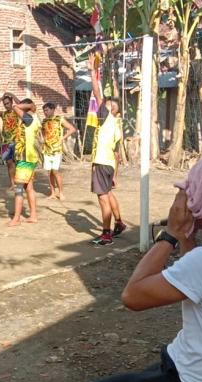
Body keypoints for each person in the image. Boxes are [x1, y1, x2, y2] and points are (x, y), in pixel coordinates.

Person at [48, 155, 202, 382]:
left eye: (187, 193)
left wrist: (170, 234)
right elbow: (196, 282)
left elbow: (132, 296)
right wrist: (188, 239)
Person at [87, 53, 126, 246]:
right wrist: (115, 175)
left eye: (109, 103)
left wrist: (92, 71)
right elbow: (117, 155)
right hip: (109, 164)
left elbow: (96, 93)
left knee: (103, 198)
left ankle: (106, 235)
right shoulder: (117, 126)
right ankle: (119, 223)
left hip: (102, 163)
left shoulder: (107, 117)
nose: (105, 103)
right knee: (109, 194)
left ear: (112, 109)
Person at [7, 98, 42, 227]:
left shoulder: (29, 119)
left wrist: (29, 105)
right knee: (29, 188)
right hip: (29, 157)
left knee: (18, 189)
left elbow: (16, 107)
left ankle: (16, 218)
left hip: (25, 159)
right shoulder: (32, 119)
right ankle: (33, 215)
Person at [41, 102, 76, 200]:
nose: (45, 112)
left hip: (56, 150)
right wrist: (44, 139)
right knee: (49, 172)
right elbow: (43, 131)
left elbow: (72, 129)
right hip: (47, 150)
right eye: (44, 111)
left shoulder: (59, 119)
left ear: (53, 110)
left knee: (55, 171)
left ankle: (61, 193)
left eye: (47, 110)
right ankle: (52, 193)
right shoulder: (44, 121)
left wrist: (63, 138)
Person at [0, 92, 20, 188]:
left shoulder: (17, 112)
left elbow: (21, 104)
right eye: (5, 104)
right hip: (6, 142)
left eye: (8, 103)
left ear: (11, 102)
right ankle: (12, 184)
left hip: (17, 141)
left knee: (18, 163)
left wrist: (11, 94)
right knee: (9, 163)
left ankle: (20, 183)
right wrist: (0, 99)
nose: (6, 105)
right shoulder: (3, 114)